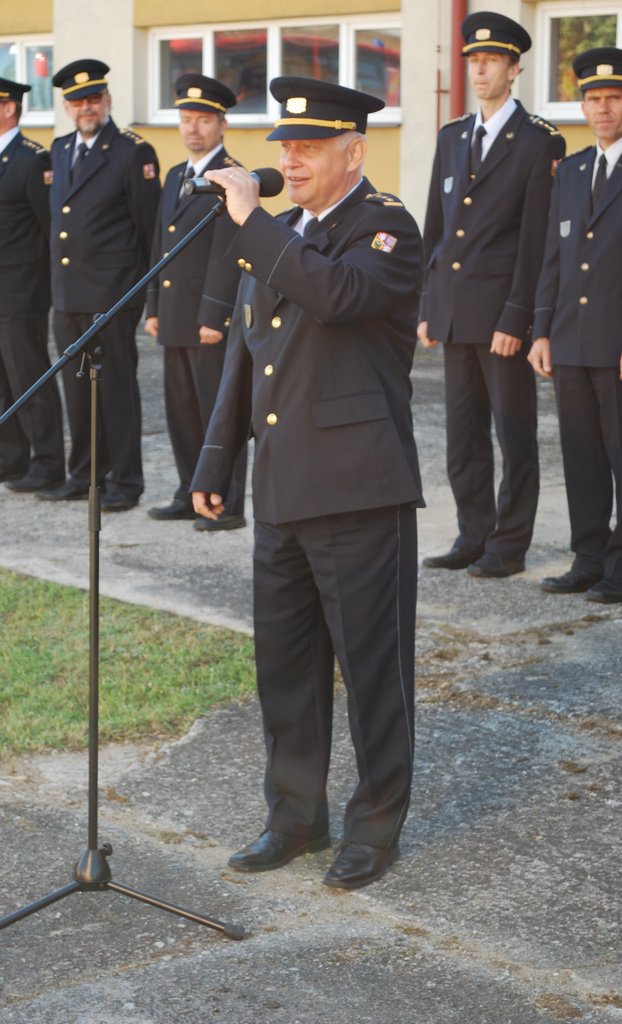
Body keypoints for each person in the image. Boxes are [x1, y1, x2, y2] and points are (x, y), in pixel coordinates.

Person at [191, 77, 424, 890]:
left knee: (373, 674)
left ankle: (374, 827)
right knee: (285, 673)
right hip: (282, 489)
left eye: (309, 147)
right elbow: (247, 357)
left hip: (360, 490)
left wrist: (252, 223)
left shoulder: (386, 227)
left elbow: (338, 295)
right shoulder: (279, 232)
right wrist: (216, 458)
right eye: (285, 145)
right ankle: (293, 817)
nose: (289, 159)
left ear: (352, 153)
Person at [418, 12, 565, 578]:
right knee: (462, 437)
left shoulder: (537, 142)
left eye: (491, 61)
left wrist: (518, 316)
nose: (479, 70)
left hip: (503, 317)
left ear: (514, 68)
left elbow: (537, 241)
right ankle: (472, 534)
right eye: (473, 61)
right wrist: (430, 304)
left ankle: (509, 545)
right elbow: (436, 227)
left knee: (514, 434)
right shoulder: (453, 137)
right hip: (454, 312)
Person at [40, 59, 161, 512]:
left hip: (112, 295)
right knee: (77, 390)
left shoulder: (132, 152)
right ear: (68, 107)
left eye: (93, 98)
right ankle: (84, 474)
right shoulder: (59, 148)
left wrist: (147, 297)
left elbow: (149, 230)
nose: (85, 107)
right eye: (77, 101)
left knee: (115, 390)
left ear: (107, 100)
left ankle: (125, 483)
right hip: (67, 294)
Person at [529, 48, 622, 604]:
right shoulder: (574, 171)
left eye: (613, 98)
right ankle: (588, 559)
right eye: (594, 99)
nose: (603, 108)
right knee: (582, 458)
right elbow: (554, 258)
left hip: (615, 345)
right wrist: (542, 330)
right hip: (570, 340)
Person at [145, 73, 247, 531]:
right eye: (186, 119)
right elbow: (159, 247)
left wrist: (215, 314)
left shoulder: (232, 177)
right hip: (173, 315)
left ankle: (225, 502)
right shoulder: (175, 176)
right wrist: (152, 306)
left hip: (207, 320)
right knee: (182, 413)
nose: (192, 129)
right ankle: (191, 491)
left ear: (221, 125)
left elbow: (229, 253)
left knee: (217, 415)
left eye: (202, 120)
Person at [0, 68, 65, 491]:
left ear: (9, 109)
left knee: (29, 379)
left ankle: (46, 462)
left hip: (20, 292)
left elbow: (48, 228)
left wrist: (43, 287)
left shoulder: (31, 160)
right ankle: (11, 454)